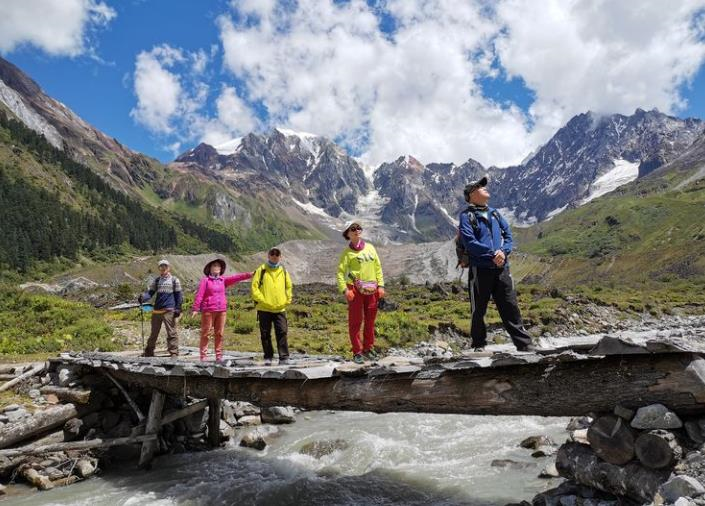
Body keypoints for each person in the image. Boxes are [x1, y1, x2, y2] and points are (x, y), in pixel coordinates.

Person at [458, 176, 534, 352]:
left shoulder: (495, 213)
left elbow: (508, 236)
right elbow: (469, 242)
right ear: (471, 195)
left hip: (501, 268)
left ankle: (524, 343)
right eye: (480, 187)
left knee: (510, 305)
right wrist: (493, 253)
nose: (485, 188)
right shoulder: (466, 216)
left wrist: (503, 252)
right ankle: (479, 344)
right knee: (479, 309)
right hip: (480, 269)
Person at [336, 222, 385, 364]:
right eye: (353, 229)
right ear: (348, 234)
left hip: (372, 289)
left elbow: (378, 267)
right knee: (355, 321)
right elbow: (340, 273)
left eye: (359, 228)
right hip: (355, 290)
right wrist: (345, 290)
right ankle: (357, 351)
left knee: (370, 321)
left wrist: (381, 285)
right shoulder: (347, 253)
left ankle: (368, 349)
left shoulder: (370, 248)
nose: (357, 230)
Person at [191, 258, 253, 363]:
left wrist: (249, 274)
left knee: (219, 334)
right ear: (209, 269)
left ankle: (218, 356)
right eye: (214, 266)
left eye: (218, 266)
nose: (216, 267)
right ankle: (203, 357)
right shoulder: (205, 281)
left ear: (221, 269)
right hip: (208, 310)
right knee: (206, 333)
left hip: (221, 311)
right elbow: (199, 295)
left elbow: (236, 277)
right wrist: (195, 308)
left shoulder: (223, 280)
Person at [251, 247, 293, 365]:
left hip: (280, 308)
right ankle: (268, 357)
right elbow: (254, 288)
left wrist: (288, 299)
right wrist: (263, 301)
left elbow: (289, 286)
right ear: (268, 256)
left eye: (277, 254)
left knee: (282, 332)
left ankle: (284, 357)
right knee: (265, 334)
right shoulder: (261, 270)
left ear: (280, 257)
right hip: (264, 308)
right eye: (272, 254)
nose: (274, 256)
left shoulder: (284, 271)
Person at [138, 259, 183, 358]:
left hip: (169, 310)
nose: (163, 268)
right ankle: (149, 352)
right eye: (161, 267)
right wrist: (143, 298)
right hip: (157, 310)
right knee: (154, 333)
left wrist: (178, 309)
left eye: (165, 266)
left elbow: (179, 295)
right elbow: (150, 293)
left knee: (171, 332)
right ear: (159, 268)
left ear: (168, 268)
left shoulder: (175, 280)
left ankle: (174, 353)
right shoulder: (157, 280)